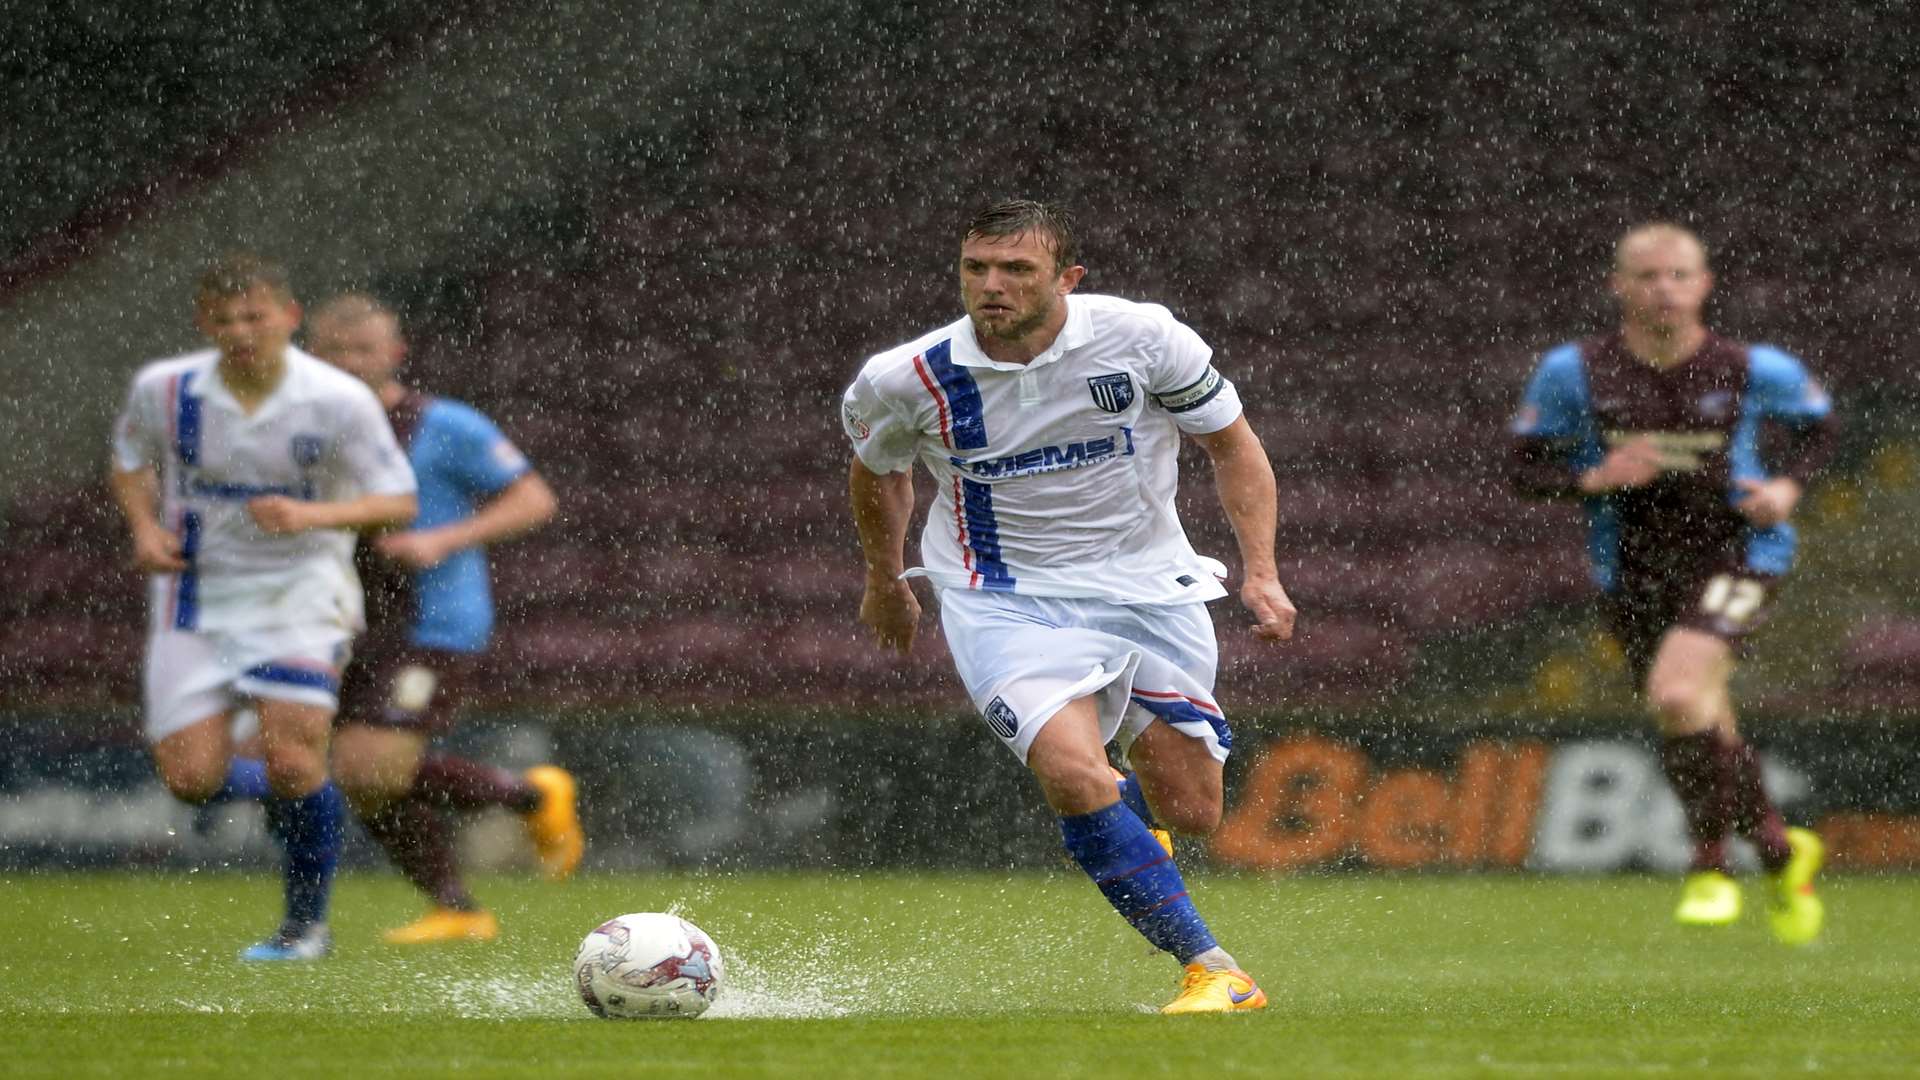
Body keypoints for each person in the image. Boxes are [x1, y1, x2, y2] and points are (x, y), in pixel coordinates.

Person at [841, 200, 1295, 1014]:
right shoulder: (907, 377)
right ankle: (1215, 968)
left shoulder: (1145, 338)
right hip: (1001, 598)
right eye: (976, 268)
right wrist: (886, 579)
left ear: (1068, 279)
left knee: (1192, 811)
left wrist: (1260, 571)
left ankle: (1130, 832)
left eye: (1017, 269)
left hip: (1147, 587)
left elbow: (1232, 445)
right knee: (1073, 773)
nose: (992, 286)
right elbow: (878, 472)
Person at [1509, 222, 1837, 945]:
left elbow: (1821, 428)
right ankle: (1784, 853)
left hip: (1740, 553)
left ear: (1705, 284)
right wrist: (1592, 477)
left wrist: (1786, 486)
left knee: (1677, 693)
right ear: (1618, 286)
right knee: (1696, 716)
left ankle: (1711, 865)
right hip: (1631, 569)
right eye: (1649, 275)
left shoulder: (1753, 368)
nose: (1665, 288)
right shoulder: (1575, 372)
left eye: (1679, 275)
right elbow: (1521, 466)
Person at [109, 252, 418, 960]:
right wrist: (145, 528)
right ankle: (312, 796)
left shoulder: (337, 398)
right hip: (194, 598)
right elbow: (128, 458)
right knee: (192, 781)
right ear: (203, 324)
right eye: (224, 319)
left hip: (299, 596)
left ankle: (304, 927)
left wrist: (312, 518)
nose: (241, 330)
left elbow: (399, 499)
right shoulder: (166, 388)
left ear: (288, 316)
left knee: (291, 755)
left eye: (255, 316)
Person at [306, 293, 581, 946]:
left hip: (432, 621)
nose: (348, 362)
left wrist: (443, 538)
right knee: (357, 774)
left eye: (363, 349)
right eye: (335, 351)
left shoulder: (445, 424)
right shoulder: (302, 430)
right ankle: (458, 906)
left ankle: (532, 800)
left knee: (371, 766)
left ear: (394, 354)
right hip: (339, 619)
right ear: (312, 357)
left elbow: (534, 498)